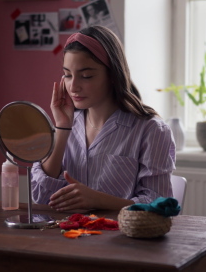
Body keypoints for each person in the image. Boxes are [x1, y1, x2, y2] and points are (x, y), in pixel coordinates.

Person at [31, 26, 176, 211]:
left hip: (124, 238)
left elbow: (160, 206)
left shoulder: (151, 130)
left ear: (113, 75)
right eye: (67, 75)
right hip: (69, 236)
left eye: (86, 76)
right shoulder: (64, 126)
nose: (73, 86)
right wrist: (62, 128)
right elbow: (40, 198)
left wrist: (98, 200)